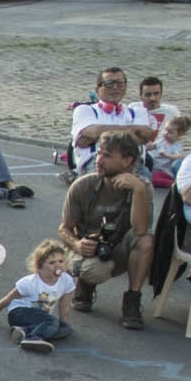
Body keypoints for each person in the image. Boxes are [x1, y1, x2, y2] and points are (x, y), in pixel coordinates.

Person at [59, 132, 155, 330]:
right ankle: (84, 285)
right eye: (99, 154)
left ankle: (132, 301)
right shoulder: (83, 185)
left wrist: (138, 190)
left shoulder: (142, 188)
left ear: (127, 160)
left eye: (107, 156)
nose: (99, 160)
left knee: (146, 241)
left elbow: (141, 229)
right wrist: (77, 243)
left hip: (119, 248)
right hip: (88, 250)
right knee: (94, 270)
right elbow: (64, 228)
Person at [0, 241, 77, 354]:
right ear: (39, 267)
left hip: (40, 319)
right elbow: (8, 298)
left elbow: (64, 306)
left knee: (65, 329)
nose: (58, 265)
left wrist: (63, 324)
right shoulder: (30, 283)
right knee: (51, 323)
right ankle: (32, 337)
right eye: (52, 263)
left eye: (61, 261)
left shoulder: (66, 281)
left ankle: (23, 331)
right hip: (19, 313)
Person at [67, 68, 156, 180]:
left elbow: (147, 134)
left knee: (143, 189)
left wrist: (101, 135)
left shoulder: (138, 111)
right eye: (109, 84)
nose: (115, 87)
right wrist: (133, 132)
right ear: (98, 89)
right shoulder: (85, 110)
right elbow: (93, 132)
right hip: (96, 164)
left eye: (120, 83)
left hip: (132, 164)